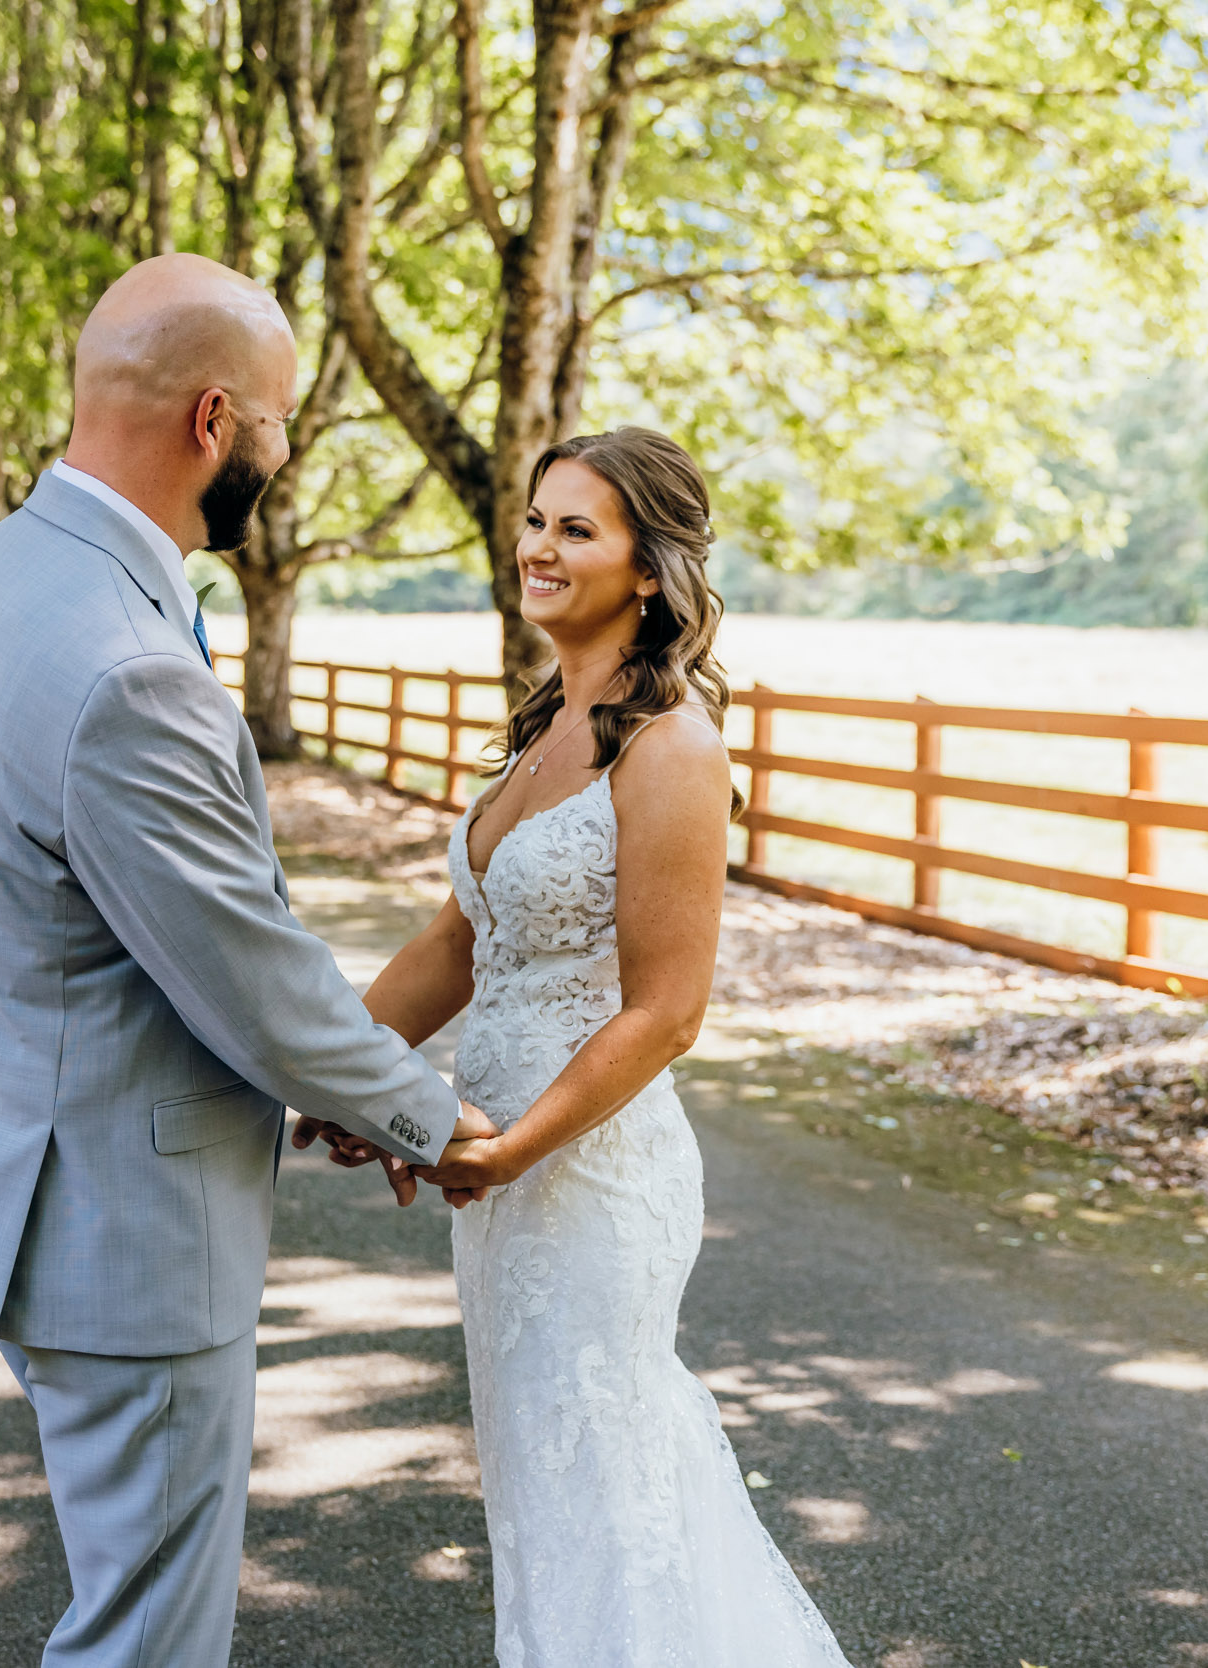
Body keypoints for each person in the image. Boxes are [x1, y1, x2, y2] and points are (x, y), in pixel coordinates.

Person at [0, 252, 496, 1667]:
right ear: (214, 423)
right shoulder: (124, 663)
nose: (282, 459)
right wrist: (426, 1118)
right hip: (119, 1232)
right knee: (148, 1644)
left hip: (27, 1178)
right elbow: (246, 970)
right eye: (281, 427)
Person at [352, 428, 856, 1665]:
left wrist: (516, 1147)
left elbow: (668, 1010)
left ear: (648, 570)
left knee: (606, 1478)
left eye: (577, 528)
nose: (537, 546)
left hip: (583, 1176)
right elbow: (456, 949)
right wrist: (329, 1068)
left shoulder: (672, 746)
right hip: (503, 1182)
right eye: (534, 519)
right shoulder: (541, 734)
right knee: (542, 1492)